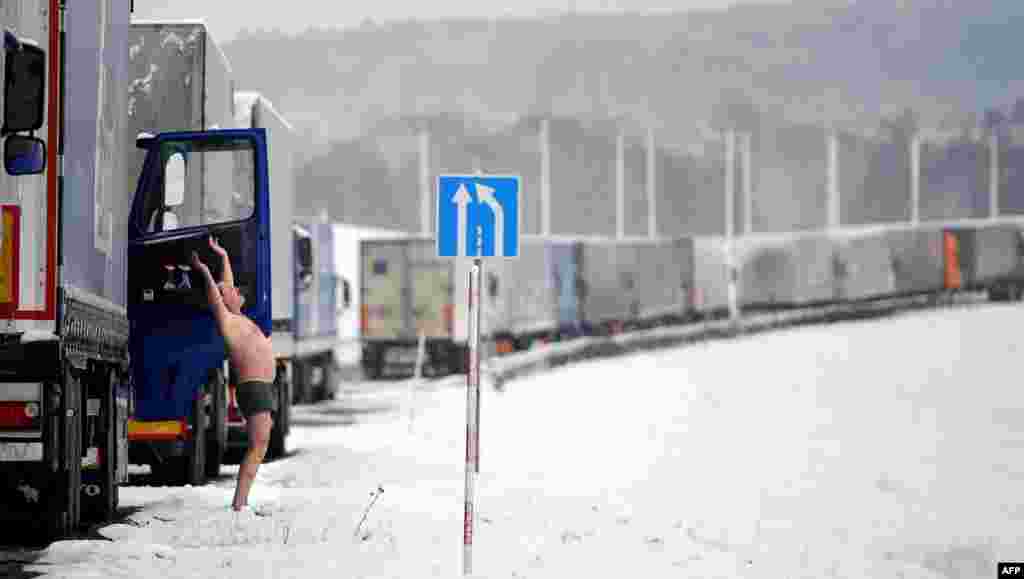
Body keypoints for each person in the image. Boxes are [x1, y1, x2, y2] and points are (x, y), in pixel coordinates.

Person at [191, 235, 276, 511]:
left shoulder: (240, 318)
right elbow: (216, 296)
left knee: (260, 444)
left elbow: (225, 283)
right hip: (254, 386)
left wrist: (223, 255)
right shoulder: (228, 321)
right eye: (228, 290)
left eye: (232, 288)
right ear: (226, 300)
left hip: (261, 386)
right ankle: (239, 504)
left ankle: (240, 503)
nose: (233, 289)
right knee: (258, 445)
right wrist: (204, 270)